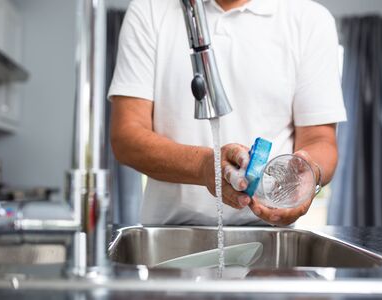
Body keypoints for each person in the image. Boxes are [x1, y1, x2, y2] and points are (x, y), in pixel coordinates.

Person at [108, 0, 347, 226]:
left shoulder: (310, 20)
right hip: (169, 235)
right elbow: (126, 137)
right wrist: (203, 167)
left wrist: (309, 174)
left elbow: (320, 141)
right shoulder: (149, 10)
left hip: (270, 237)